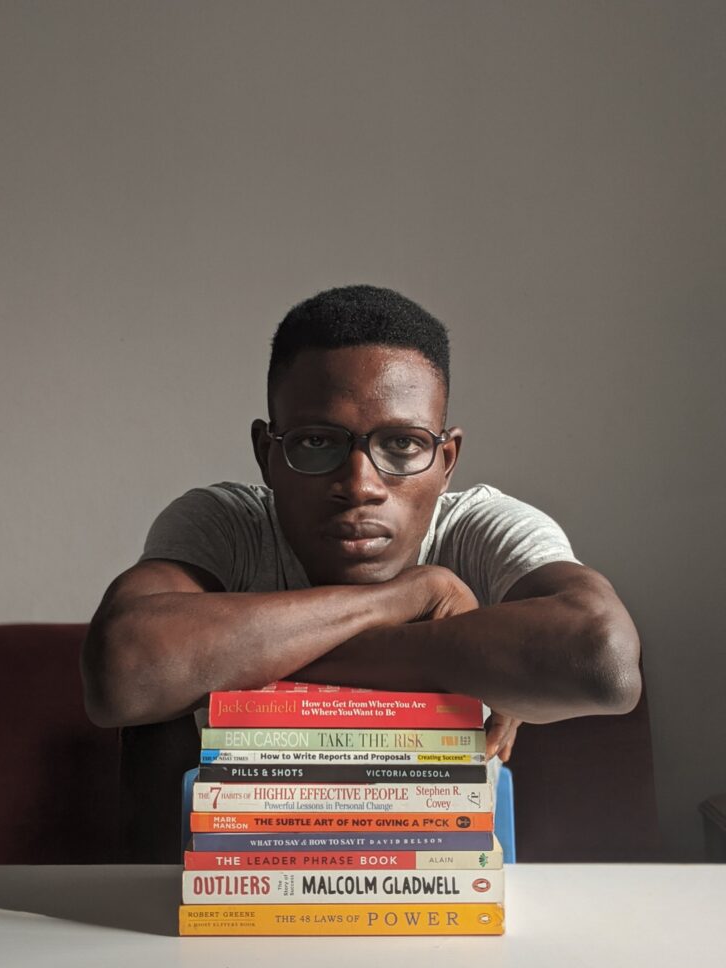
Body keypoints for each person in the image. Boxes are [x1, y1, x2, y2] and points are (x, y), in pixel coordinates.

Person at [82, 284, 641, 767]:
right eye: (317, 442)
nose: (360, 484)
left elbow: (604, 660)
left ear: (447, 461)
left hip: (442, 878)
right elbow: (124, 670)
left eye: (402, 444)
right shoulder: (229, 523)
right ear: (266, 455)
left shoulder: (480, 527)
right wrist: (412, 596)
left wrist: (236, 667)